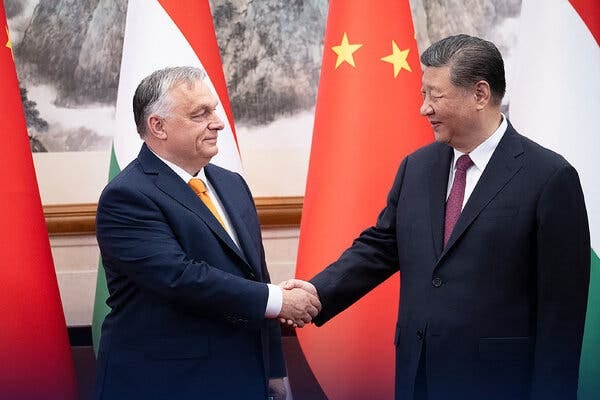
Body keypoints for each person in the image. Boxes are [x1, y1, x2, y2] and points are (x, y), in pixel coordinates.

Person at [285, 34, 590, 400]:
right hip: (419, 377)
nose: (424, 108)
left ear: (479, 94)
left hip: (499, 383)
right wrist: (318, 291)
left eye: (435, 95)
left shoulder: (549, 178)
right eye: (422, 95)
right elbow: (382, 246)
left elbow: (562, 316)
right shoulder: (417, 167)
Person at [94, 66, 320, 400]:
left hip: (243, 376)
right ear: (158, 126)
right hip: (166, 384)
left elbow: (256, 274)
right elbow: (180, 278)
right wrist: (278, 301)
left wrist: (273, 369)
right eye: (200, 114)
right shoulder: (127, 196)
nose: (218, 122)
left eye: (214, 109)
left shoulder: (231, 183)